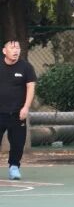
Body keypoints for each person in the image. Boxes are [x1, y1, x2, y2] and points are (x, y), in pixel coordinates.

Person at [2, 39, 37, 180]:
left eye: (17, 48)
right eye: (12, 48)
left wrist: (26, 107)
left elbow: (31, 87)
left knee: (18, 143)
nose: (15, 50)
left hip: (18, 113)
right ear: (4, 51)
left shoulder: (26, 67)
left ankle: (14, 167)